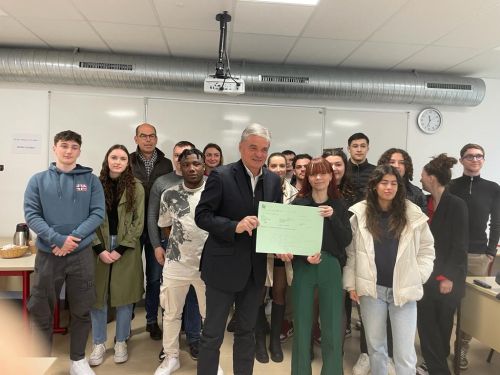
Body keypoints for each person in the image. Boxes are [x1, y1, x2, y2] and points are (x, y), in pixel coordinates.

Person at [195, 123, 282, 375]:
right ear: (241, 147)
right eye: (253, 147)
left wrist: (280, 246)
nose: (258, 154)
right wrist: (234, 226)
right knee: (212, 335)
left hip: (254, 273)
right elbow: (202, 216)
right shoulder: (221, 176)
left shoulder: (274, 181)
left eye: (264, 149)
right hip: (222, 269)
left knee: (247, 333)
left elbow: (275, 221)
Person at [24, 130, 105, 375]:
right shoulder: (37, 180)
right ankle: (39, 360)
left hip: (80, 255)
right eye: (63, 145)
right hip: (48, 254)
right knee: (40, 307)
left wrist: (72, 241)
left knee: (82, 307)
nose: (68, 151)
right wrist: (57, 240)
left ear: (79, 150)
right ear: (54, 148)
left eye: (73, 147)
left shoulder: (91, 181)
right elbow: (32, 215)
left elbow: (97, 213)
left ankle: (77, 360)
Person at [344, 164, 435, 375]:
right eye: (384, 182)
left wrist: (418, 275)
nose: (389, 187)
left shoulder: (413, 214)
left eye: (394, 183)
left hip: (403, 290)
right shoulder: (359, 215)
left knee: (404, 352)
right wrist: (351, 285)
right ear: (374, 185)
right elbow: (352, 254)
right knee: (376, 348)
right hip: (371, 290)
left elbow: (427, 250)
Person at [277, 157, 352, 375]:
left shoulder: (339, 204)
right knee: (301, 323)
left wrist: (333, 217)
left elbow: (346, 240)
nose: (318, 177)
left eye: (323, 173)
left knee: (332, 325)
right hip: (304, 266)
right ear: (307, 177)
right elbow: (290, 240)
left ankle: (332, 371)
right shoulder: (299, 204)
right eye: (313, 173)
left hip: (331, 265)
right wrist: (302, 256)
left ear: (331, 176)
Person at [89, 145, 145, 366]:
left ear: (128, 163)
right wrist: (99, 249)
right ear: (107, 159)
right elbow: (87, 220)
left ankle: (121, 340)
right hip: (99, 246)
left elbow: (138, 222)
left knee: (124, 298)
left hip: (126, 248)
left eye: (123, 158)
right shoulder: (95, 185)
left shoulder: (136, 187)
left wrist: (120, 249)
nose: (118, 161)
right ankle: (99, 343)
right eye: (114, 157)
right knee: (98, 297)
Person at [154, 148, 208, 375]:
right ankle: (171, 357)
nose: (192, 168)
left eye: (197, 163)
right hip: (176, 263)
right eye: (187, 164)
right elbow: (165, 225)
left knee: (210, 315)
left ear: (203, 166)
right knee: (171, 313)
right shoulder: (169, 194)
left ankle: (210, 359)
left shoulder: (214, 192)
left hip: (208, 264)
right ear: (180, 166)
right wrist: (178, 246)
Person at [449, 143, 500, 370]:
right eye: (470, 156)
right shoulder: (450, 186)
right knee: (447, 302)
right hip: (451, 255)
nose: (475, 159)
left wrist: (490, 252)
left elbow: (496, 223)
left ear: (484, 160)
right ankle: (441, 346)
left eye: (479, 156)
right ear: (461, 160)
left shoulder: (493, 188)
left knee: (470, 306)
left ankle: (462, 348)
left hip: (479, 255)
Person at [417, 154, 468, 375]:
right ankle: (436, 367)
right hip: (426, 276)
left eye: (422, 176)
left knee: (443, 326)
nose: (420, 179)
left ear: (432, 178)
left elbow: (460, 245)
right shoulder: (425, 204)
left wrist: (448, 277)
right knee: (427, 326)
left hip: (447, 278)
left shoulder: (456, 205)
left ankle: (438, 369)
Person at [130, 123, 173, 340]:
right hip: (132, 229)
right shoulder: (127, 161)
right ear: (136, 139)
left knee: (155, 278)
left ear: (156, 139)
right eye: (143, 136)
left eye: (152, 136)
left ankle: (151, 321)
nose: (148, 139)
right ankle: (125, 322)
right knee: (129, 276)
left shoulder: (166, 164)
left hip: (157, 229)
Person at [254, 153, 297, 364]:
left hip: (283, 252)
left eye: (282, 165)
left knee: (279, 292)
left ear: (287, 168)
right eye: (274, 165)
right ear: (267, 167)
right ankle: (260, 341)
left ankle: (275, 342)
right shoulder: (258, 188)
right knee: (259, 294)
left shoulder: (295, 193)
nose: (278, 169)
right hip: (261, 251)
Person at [378, 148, 426, 212]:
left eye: (401, 163)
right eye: (392, 162)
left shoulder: (416, 194)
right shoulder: (374, 188)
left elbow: (421, 220)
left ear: (407, 166)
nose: (397, 166)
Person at [346, 133, 376, 199]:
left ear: (367, 149)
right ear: (348, 149)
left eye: (363, 146)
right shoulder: (342, 170)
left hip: (369, 208)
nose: (359, 150)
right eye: (355, 146)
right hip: (344, 209)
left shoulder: (376, 171)